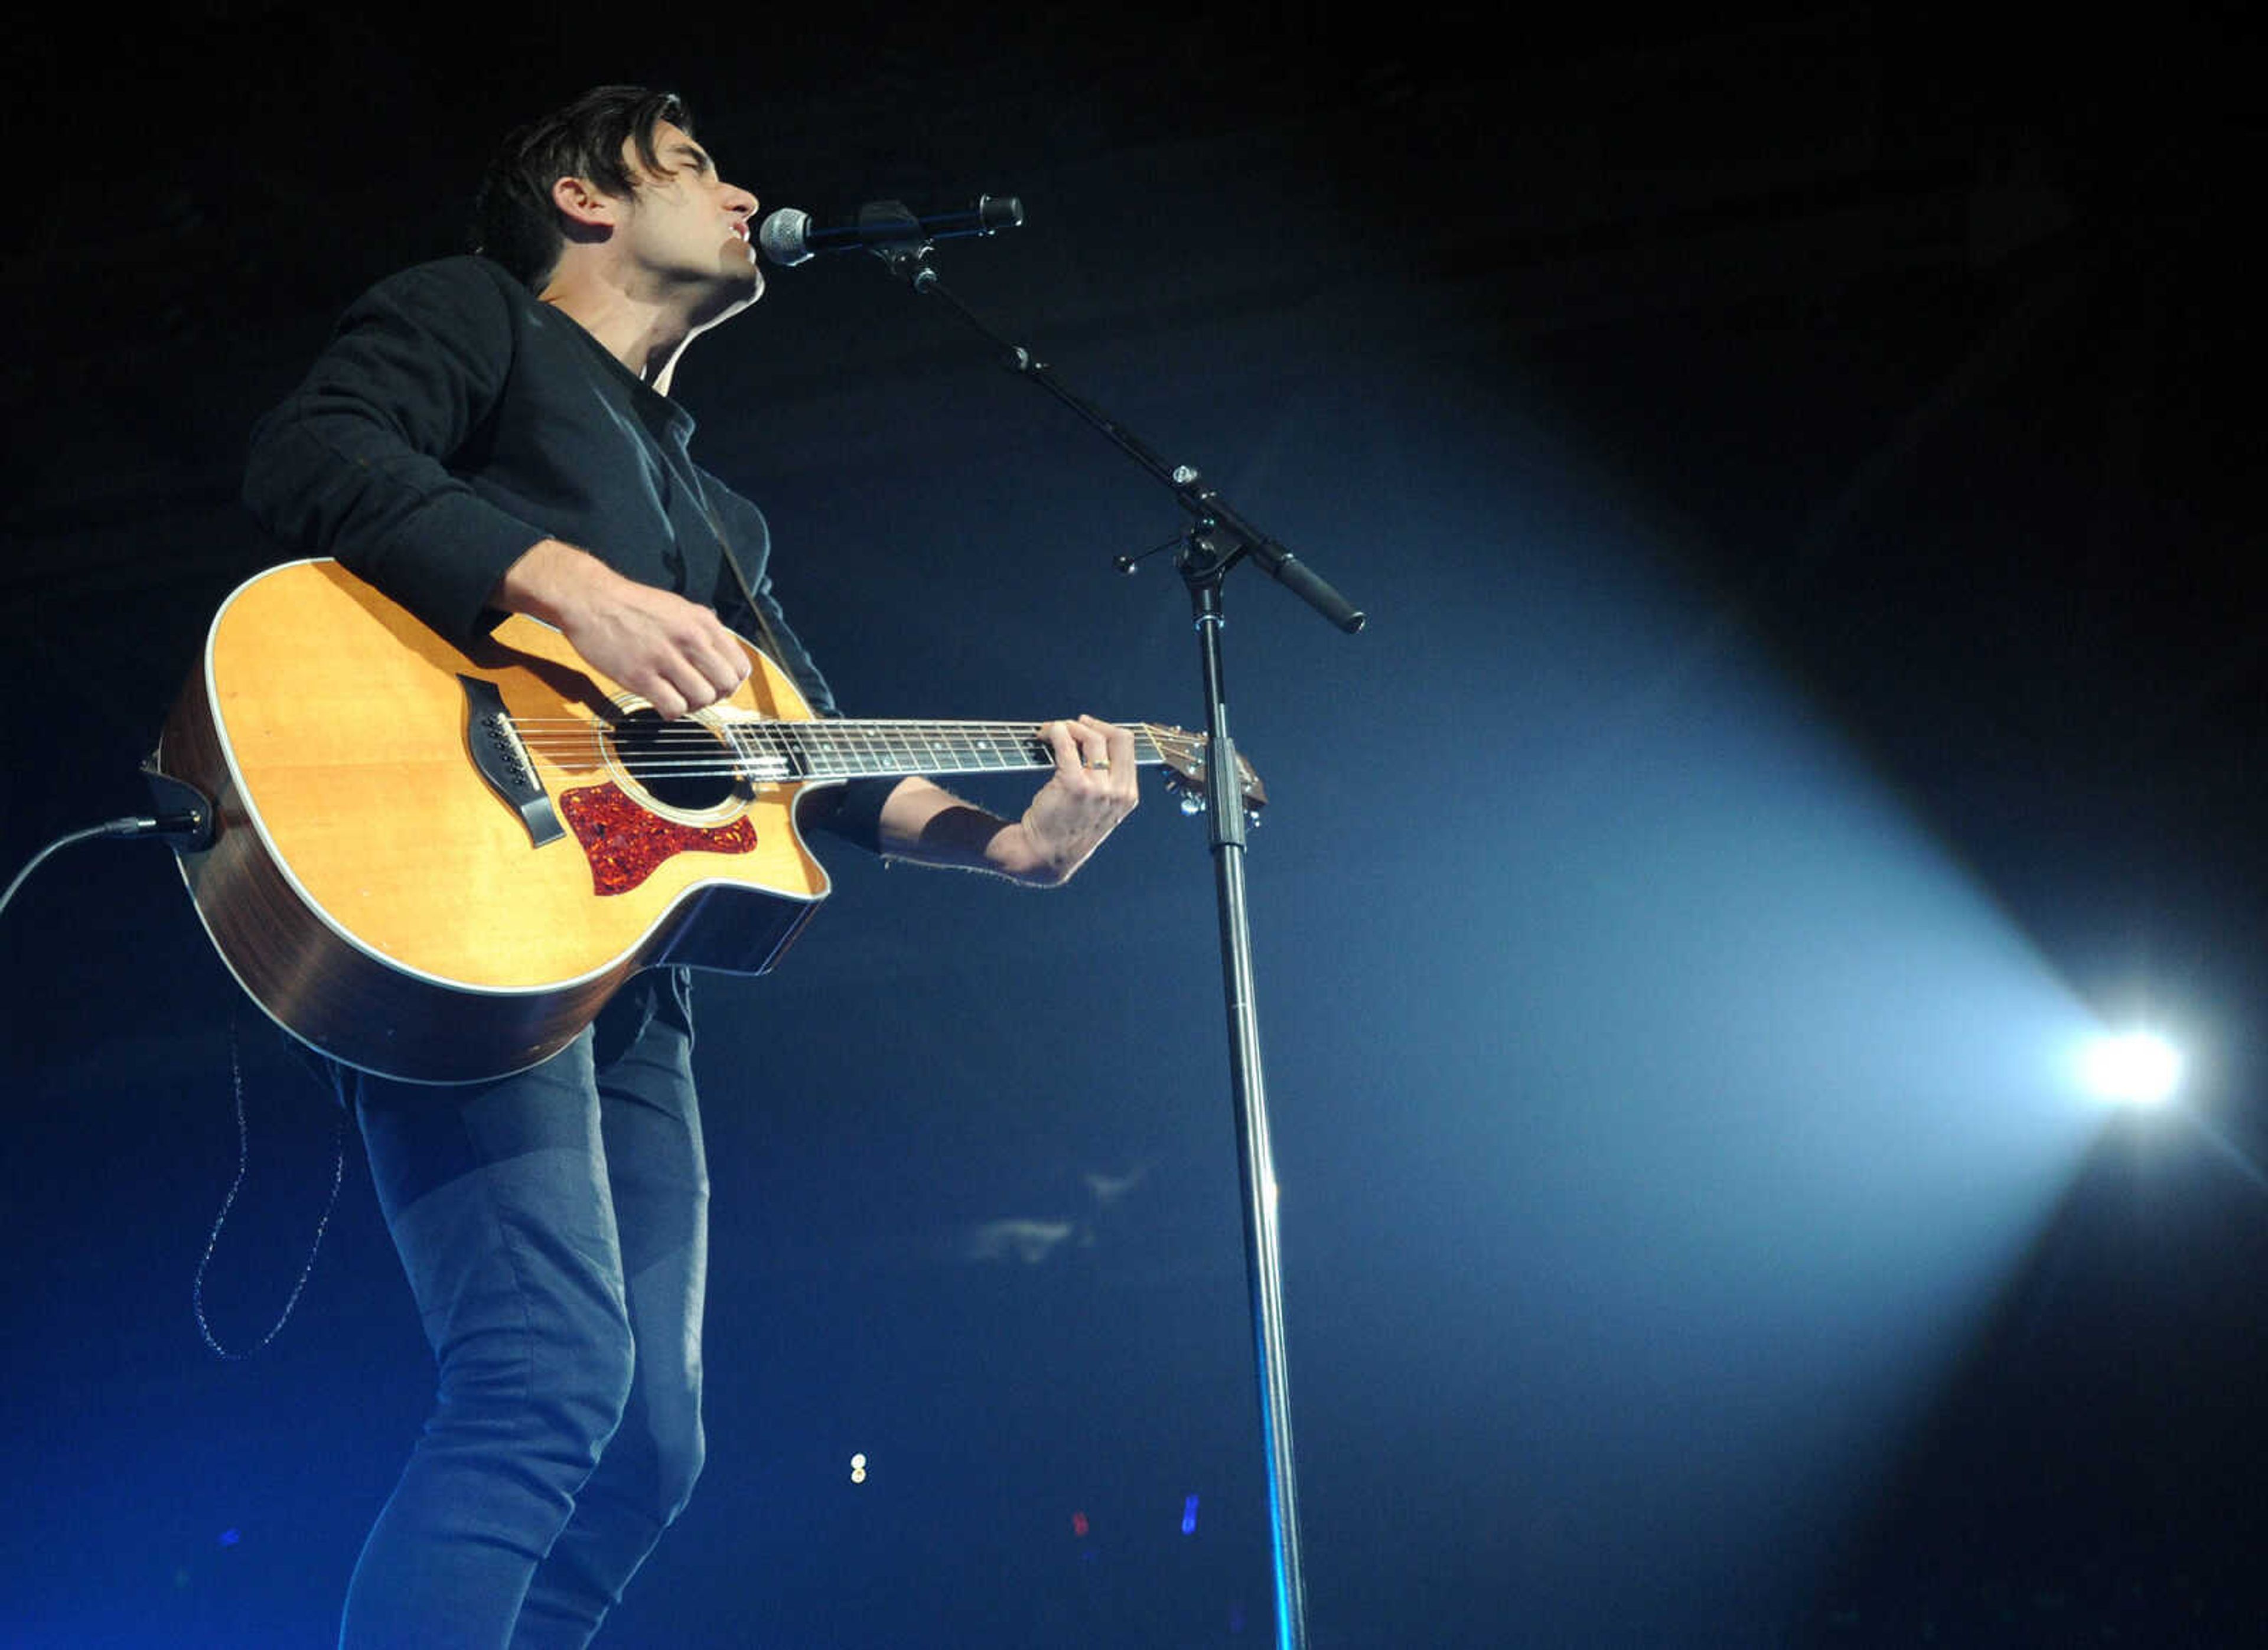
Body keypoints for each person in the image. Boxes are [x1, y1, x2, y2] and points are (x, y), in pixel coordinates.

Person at [240, 85, 1139, 1649]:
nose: (742, 197)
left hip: (624, 963)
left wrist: (1012, 846)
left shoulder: (722, 516)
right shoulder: (479, 322)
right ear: (587, 202)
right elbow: (314, 453)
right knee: (540, 1384)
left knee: (650, 1444)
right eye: (700, 167)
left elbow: (811, 748)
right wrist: (561, 582)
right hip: (462, 885)